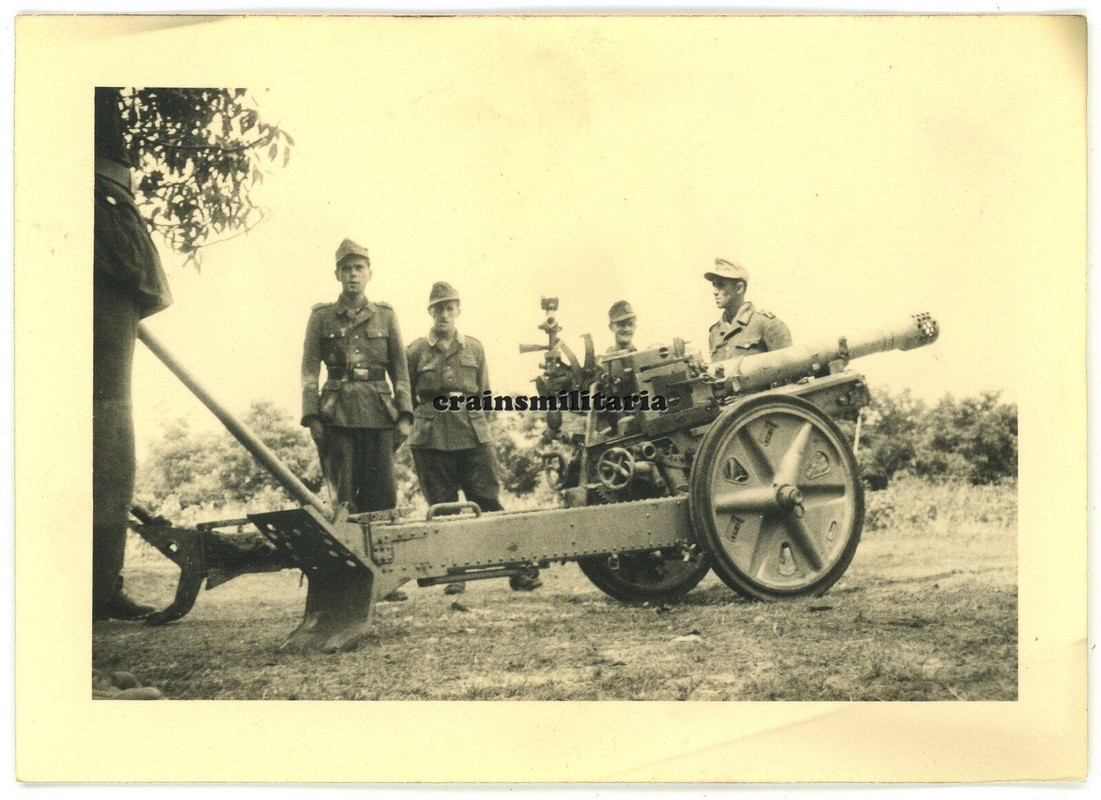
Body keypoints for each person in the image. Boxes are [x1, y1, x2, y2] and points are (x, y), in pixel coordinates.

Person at [93, 87, 174, 622]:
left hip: (100, 218)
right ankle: (95, 586)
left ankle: (98, 584)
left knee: (103, 416)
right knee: (103, 414)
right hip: (94, 215)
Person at [406, 282, 541, 595]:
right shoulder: (414, 351)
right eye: (438, 307)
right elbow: (407, 397)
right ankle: (455, 572)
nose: (444, 313)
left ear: (458, 310)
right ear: (430, 311)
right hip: (432, 438)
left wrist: (480, 424)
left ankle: (519, 570)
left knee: (489, 501)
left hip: (472, 432)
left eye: (449, 306)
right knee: (443, 507)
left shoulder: (475, 347)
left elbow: (484, 392)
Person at [300, 238, 414, 517]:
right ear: (337, 274)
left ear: (369, 274)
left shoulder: (386, 316)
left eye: (359, 268)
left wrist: (405, 415)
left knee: (384, 495)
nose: (353, 274)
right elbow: (309, 371)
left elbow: (400, 369)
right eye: (347, 268)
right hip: (336, 414)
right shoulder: (321, 317)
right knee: (344, 500)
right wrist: (312, 417)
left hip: (379, 412)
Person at [705, 258, 792, 361]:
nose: (714, 292)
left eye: (720, 285)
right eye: (714, 285)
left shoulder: (767, 324)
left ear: (739, 288)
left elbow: (789, 368)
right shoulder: (715, 333)